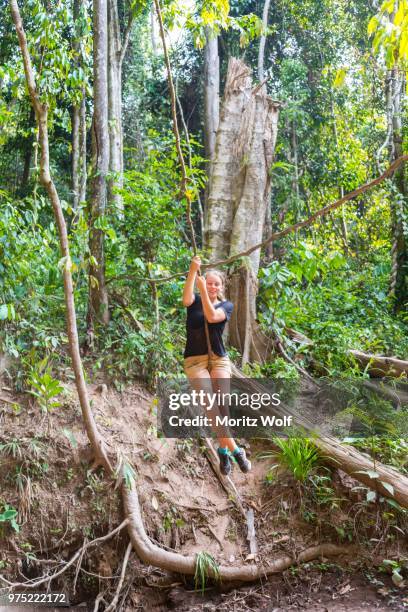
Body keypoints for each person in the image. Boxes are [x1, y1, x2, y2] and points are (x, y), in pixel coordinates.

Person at [182, 255, 251, 476]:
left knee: (222, 407)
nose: (212, 286)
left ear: (221, 287)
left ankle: (223, 449)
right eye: (209, 282)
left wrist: (203, 291)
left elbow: (212, 317)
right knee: (211, 407)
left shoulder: (226, 305)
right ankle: (236, 450)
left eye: (216, 284)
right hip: (195, 362)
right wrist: (193, 270)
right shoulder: (193, 301)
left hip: (219, 359)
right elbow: (185, 299)